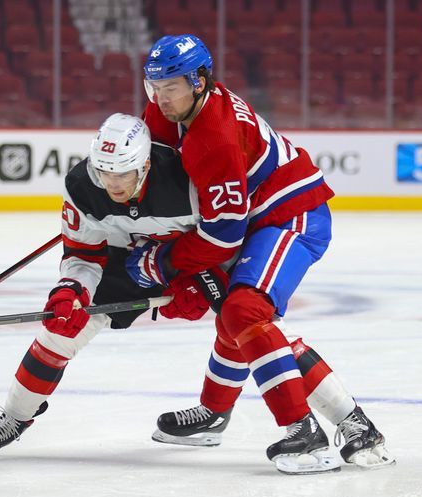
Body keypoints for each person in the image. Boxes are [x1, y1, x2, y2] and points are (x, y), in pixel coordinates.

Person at [0, 114, 384, 473]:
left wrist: (196, 280)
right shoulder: (82, 186)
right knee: (63, 327)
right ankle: (15, 417)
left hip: (198, 256)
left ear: (145, 166)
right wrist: (69, 291)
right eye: (104, 172)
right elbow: (83, 255)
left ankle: (351, 420)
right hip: (131, 257)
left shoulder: (187, 181)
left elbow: (226, 238)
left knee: (250, 321)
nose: (112, 184)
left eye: (122, 174)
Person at [130, 33, 393, 471]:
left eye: (170, 86)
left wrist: (163, 264)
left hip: (292, 217)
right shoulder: (168, 110)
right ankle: (220, 413)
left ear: (198, 81)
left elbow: (221, 238)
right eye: (153, 86)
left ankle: (305, 433)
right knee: (237, 313)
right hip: (254, 219)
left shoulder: (214, 137)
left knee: (244, 310)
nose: (159, 97)